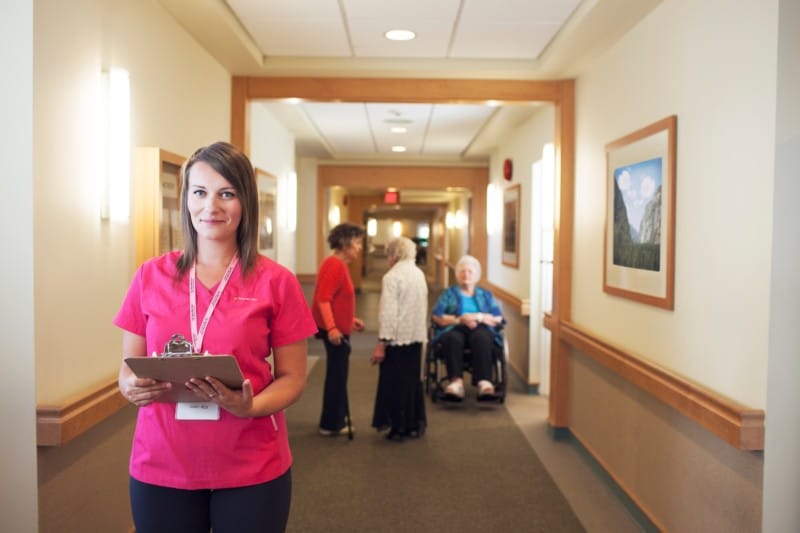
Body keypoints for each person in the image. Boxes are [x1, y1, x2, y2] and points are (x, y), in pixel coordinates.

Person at [114, 141, 317, 533]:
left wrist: (250, 406)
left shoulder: (276, 282)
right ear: (186, 199)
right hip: (162, 461)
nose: (212, 206)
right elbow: (128, 366)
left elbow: (293, 377)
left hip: (251, 462)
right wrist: (130, 387)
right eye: (200, 192)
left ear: (246, 203)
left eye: (227, 193)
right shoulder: (150, 276)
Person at [370, 237, 429, 441]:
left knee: (394, 383)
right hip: (416, 337)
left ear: (393, 255)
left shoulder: (392, 277)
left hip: (396, 340)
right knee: (412, 382)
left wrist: (381, 344)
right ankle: (412, 423)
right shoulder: (419, 274)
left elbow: (388, 313)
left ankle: (398, 426)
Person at [311, 222, 366, 436]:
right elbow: (323, 300)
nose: (360, 247)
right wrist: (333, 328)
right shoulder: (334, 264)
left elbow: (336, 300)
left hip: (340, 328)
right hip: (334, 332)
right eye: (358, 242)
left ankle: (337, 416)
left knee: (339, 375)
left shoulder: (339, 265)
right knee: (337, 376)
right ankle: (331, 423)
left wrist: (350, 319)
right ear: (346, 243)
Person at [431, 254, 505, 401]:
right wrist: (459, 319)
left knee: (481, 338)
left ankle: (484, 382)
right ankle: (456, 383)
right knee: (452, 339)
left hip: (480, 328)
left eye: (470, 272)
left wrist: (478, 317)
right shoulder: (449, 293)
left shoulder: (485, 295)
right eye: (462, 271)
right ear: (458, 274)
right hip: (454, 327)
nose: (466, 275)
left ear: (476, 275)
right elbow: (437, 316)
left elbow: (498, 317)